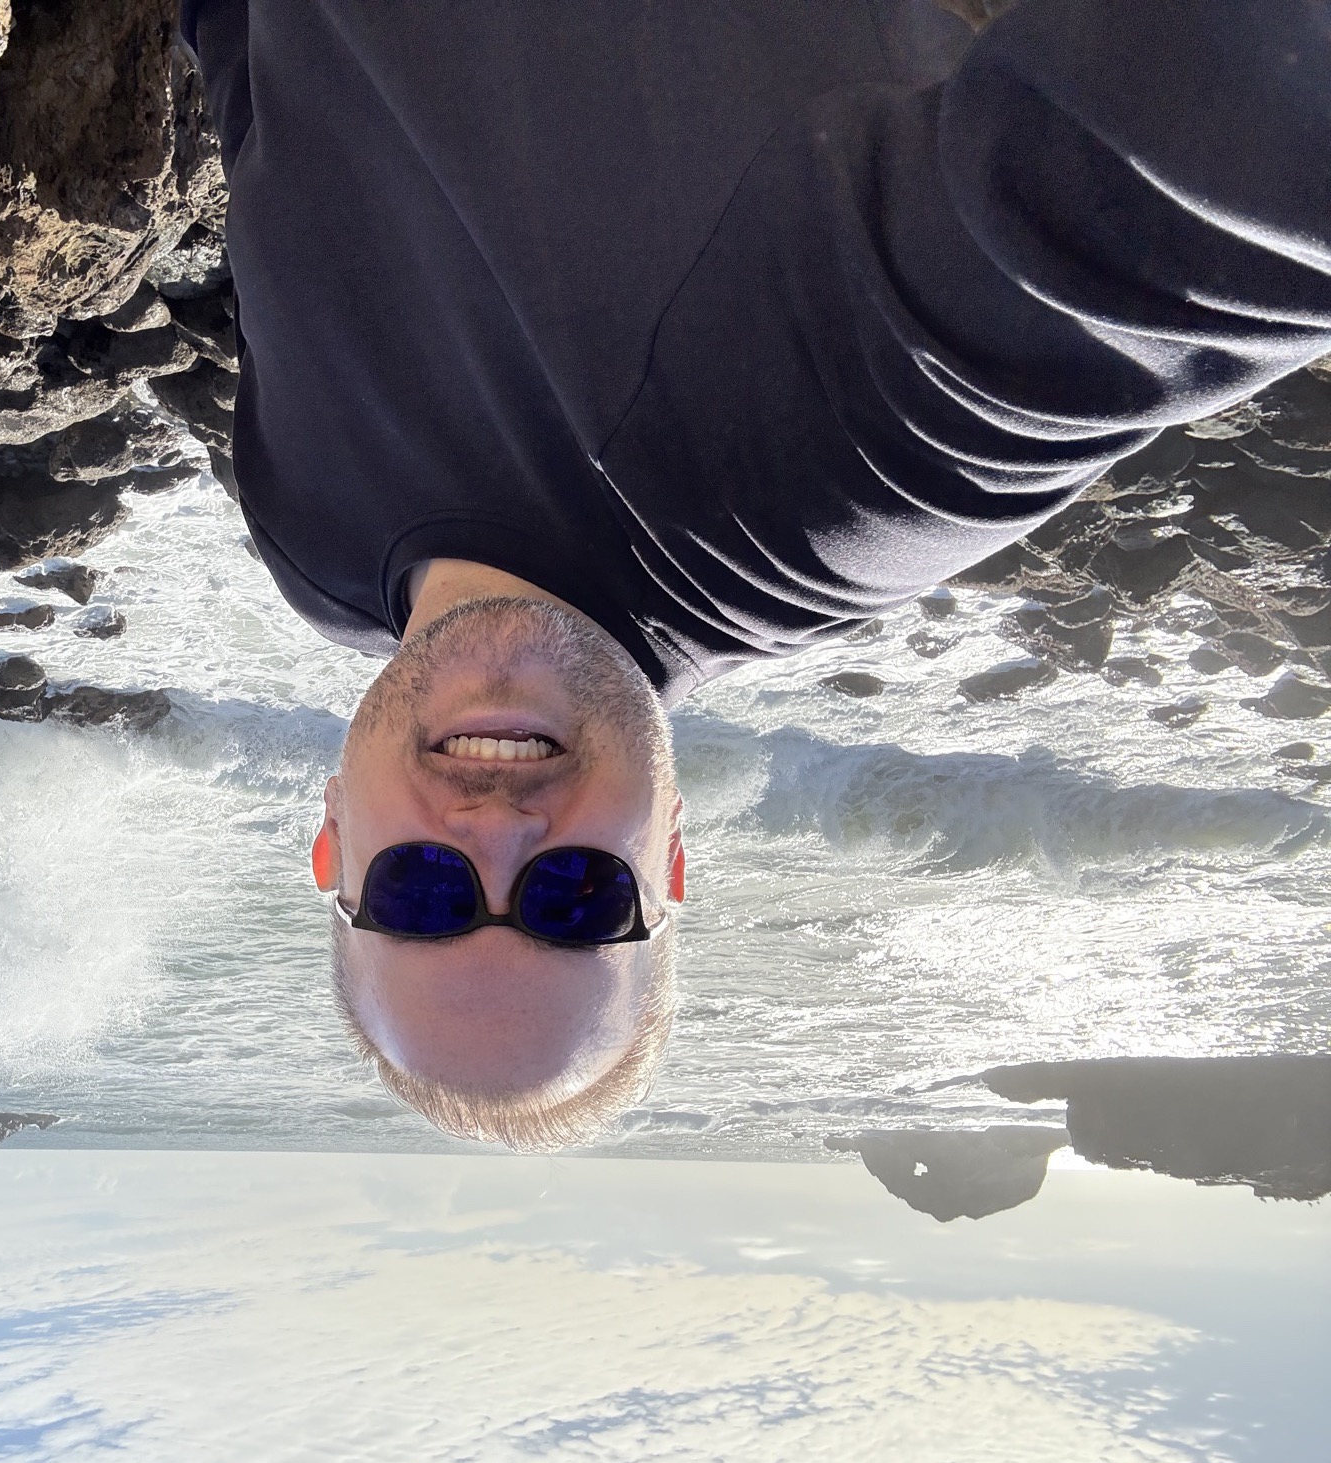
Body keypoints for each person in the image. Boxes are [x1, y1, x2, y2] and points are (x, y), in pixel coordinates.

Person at [175, 0, 1331, 1149]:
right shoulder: (825, 480)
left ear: (332, 844)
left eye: (419, 895)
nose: (494, 833)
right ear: (668, 853)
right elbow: (1253, 167)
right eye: (575, 902)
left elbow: (265, 87)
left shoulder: (311, 549)